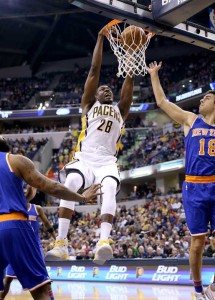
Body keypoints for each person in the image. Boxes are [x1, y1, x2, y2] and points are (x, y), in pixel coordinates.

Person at [45, 25, 134, 265]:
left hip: (107, 161)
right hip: (85, 157)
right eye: (101, 89)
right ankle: (61, 243)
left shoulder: (120, 110)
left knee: (109, 187)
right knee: (71, 183)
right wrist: (99, 38)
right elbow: (94, 70)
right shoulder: (88, 105)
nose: (105, 89)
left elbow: (128, 83)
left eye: (108, 88)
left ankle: (103, 242)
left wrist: (131, 56)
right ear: (94, 95)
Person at [0, 137, 101, 300]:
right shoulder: (14, 160)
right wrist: (81, 197)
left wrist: (23, 200)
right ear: (8, 149)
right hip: (14, 227)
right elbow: (51, 187)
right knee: (41, 291)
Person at [148, 61, 215, 300]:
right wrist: (154, 75)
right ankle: (198, 291)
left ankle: (213, 287)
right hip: (194, 186)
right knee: (197, 244)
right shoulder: (190, 119)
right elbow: (162, 103)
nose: (201, 101)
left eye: (206, 97)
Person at [0, 184, 56, 300]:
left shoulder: (37, 208)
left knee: (44, 279)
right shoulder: (12, 209)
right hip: (17, 246)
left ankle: (51, 298)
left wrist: (56, 238)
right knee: (9, 279)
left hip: (34, 247)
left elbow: (47, 224)